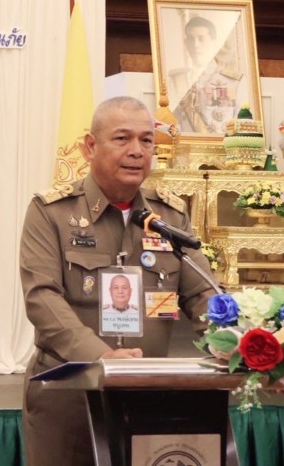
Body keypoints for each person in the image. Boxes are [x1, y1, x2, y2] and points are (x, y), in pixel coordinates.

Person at [19, 96, 217, 465]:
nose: (137, 151)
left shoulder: (168, 216)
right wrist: (102, 358)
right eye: (122, 138)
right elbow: (42, 299)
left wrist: (234, 340)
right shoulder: (52, 213)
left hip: (149, 398)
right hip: (69, 396)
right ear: (90, 146)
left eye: (146, 140)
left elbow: (202, 291)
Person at [171, 15, 244, 135]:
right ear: (186, 43)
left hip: (223, 145)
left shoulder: (233, 81)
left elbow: (240, 122)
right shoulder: (176, 81)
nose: (195, 45)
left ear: (214, 42)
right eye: (191, 39)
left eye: (201, 38)